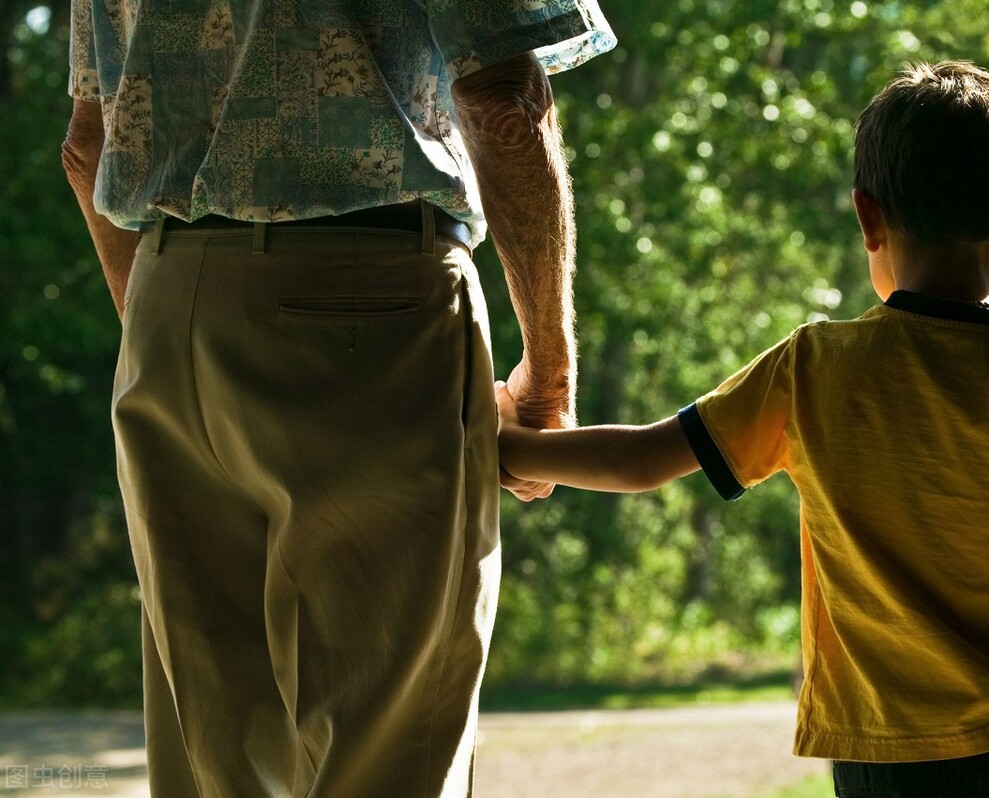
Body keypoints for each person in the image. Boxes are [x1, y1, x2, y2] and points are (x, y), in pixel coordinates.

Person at [496, 61, 989, 798]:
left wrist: (509, 445)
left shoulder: (815, 369)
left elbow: (644, 458)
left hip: (881, 761)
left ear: (868, 215)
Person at [61, 1, 614, 795]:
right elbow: (503, 105)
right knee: (386, 750)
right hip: (371, 303)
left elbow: (89, 147)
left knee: (215, 762)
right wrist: (547, 382)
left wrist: (174, 338)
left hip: (165, 304)